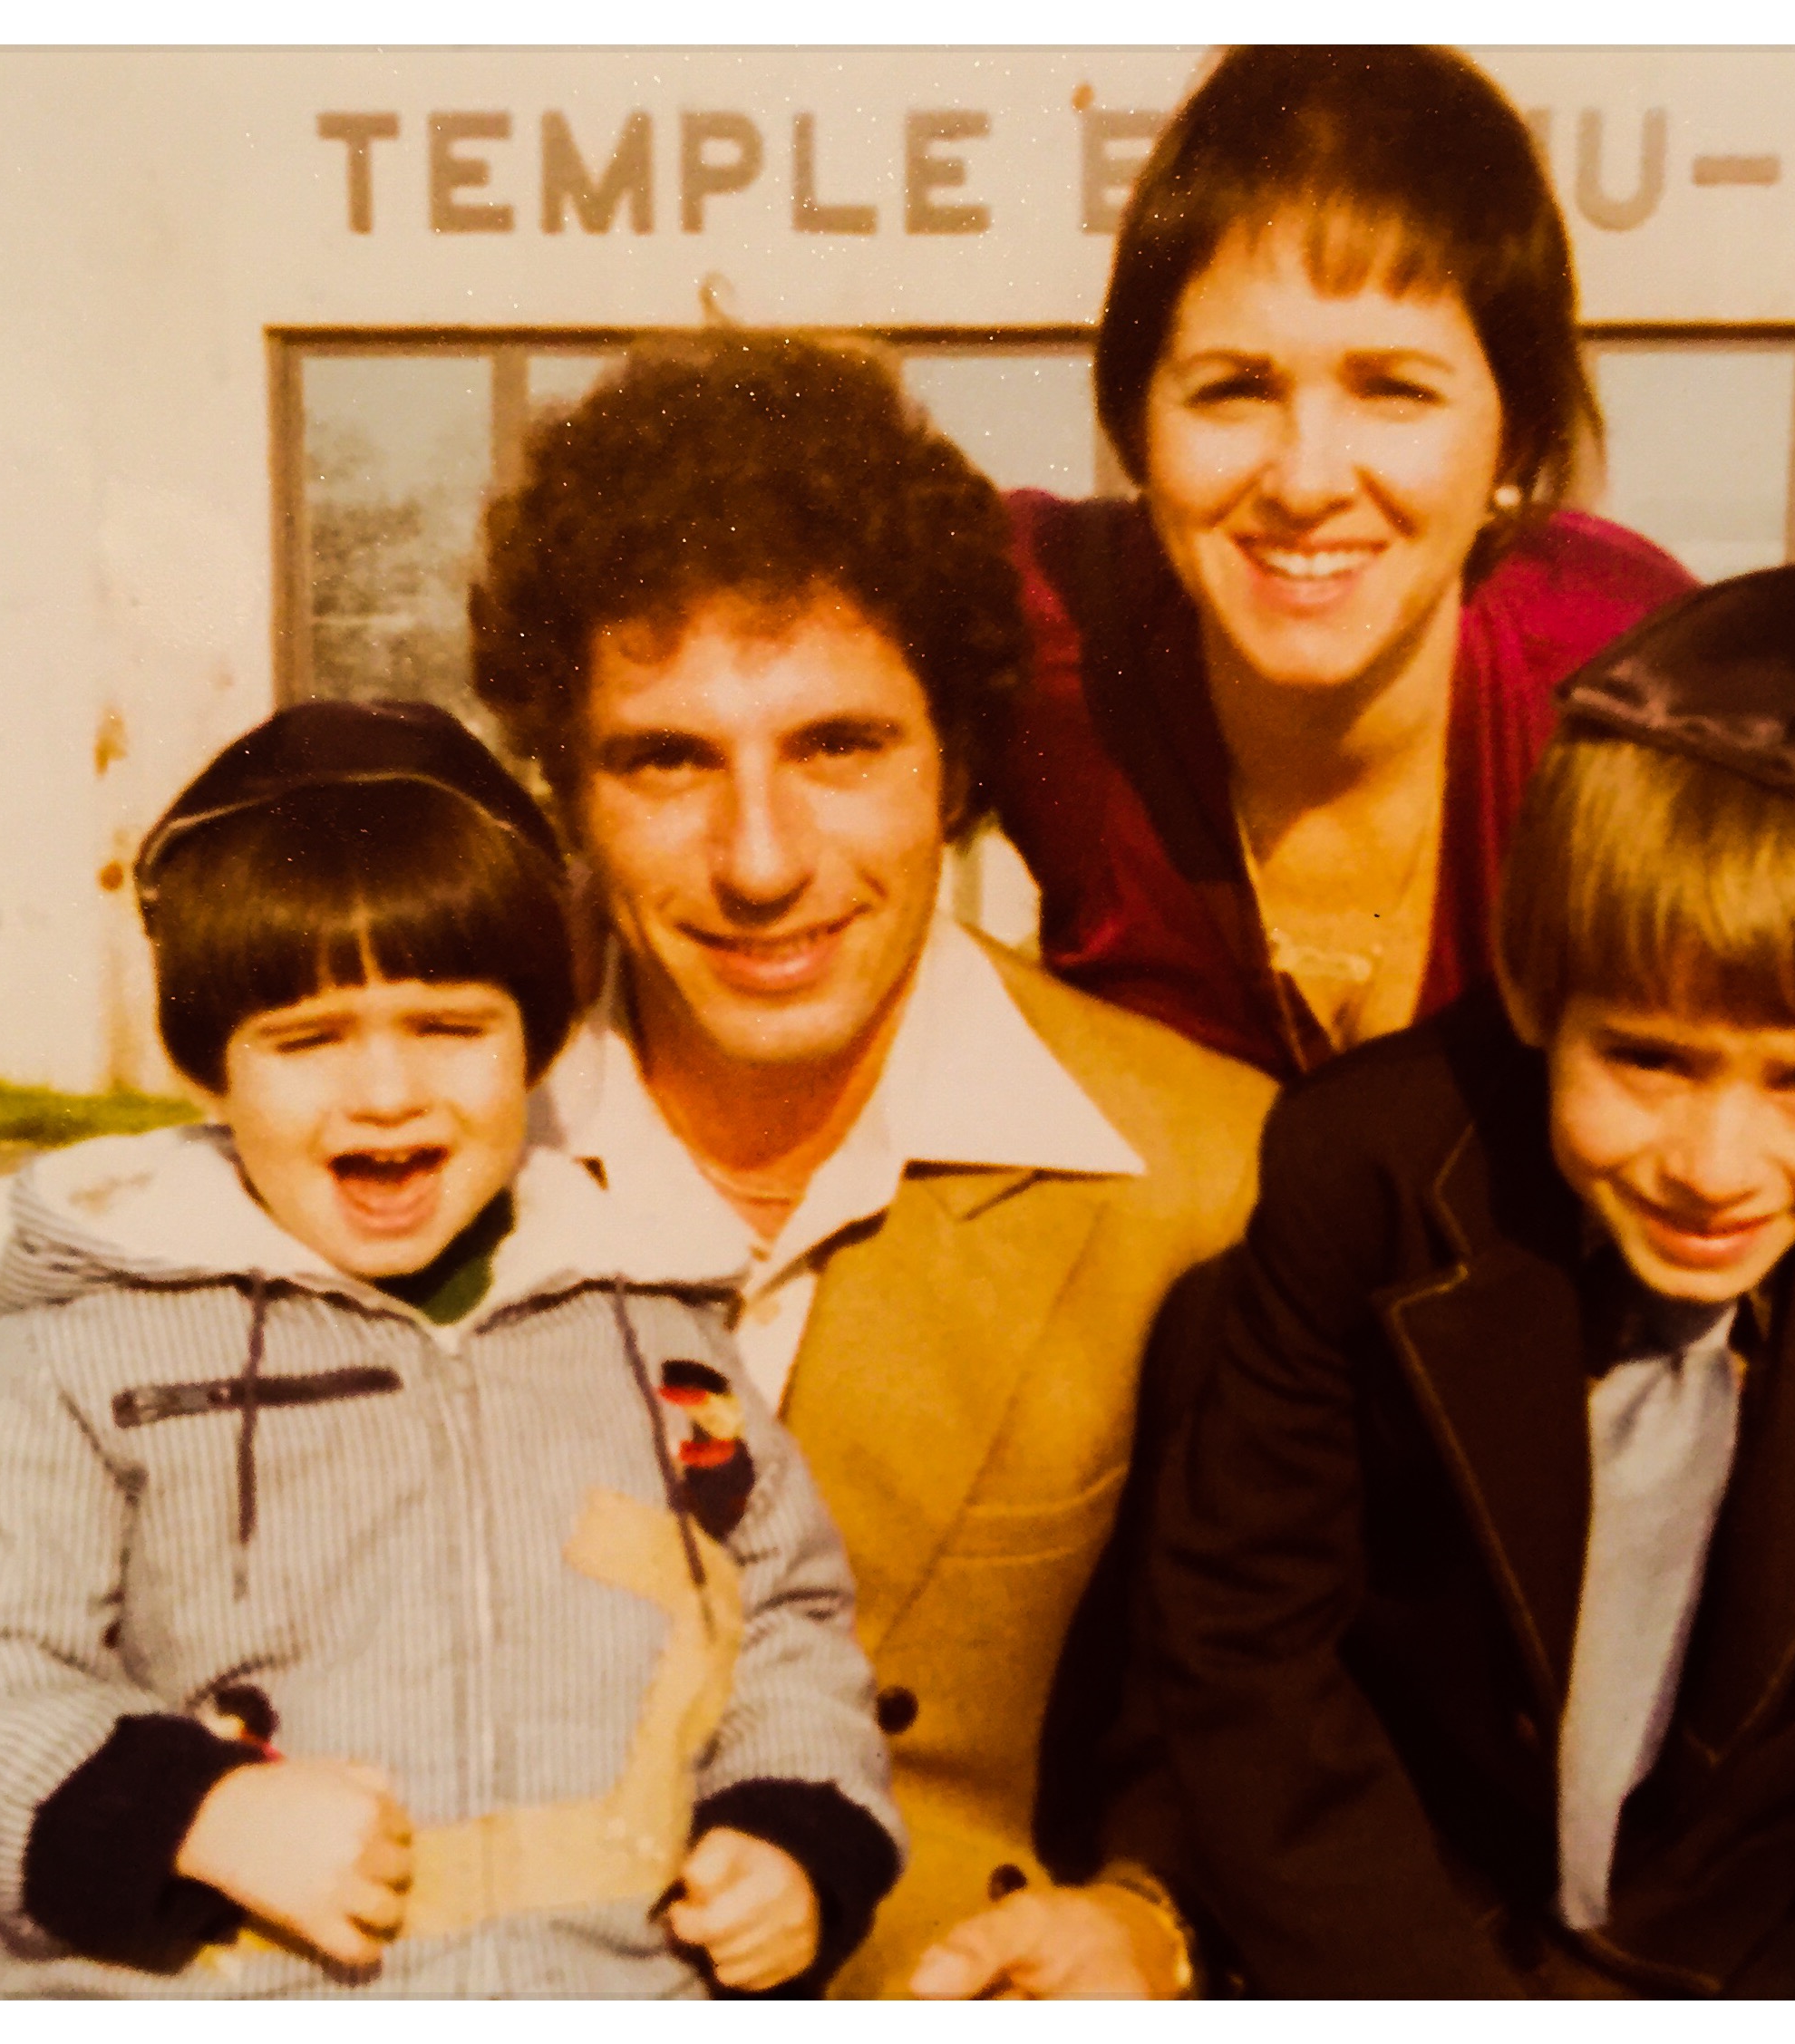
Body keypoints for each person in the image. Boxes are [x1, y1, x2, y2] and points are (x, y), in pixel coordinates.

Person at [1141, 567, 1795, 1995]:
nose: (1715, 1167)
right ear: (1536, 989)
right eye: (1651, 1058)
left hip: (1788, 1937)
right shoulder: (1364, 1167)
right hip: (1411, 1916)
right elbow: (1246, 1645)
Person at [0, 700, 903, 1998]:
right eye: (308, 1040)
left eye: (450, 1027)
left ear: (538, 1041)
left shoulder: (651, 1326)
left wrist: (793, 1828)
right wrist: (194, 1812)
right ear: (211, 1067)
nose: (387, 1093)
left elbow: (778, 1614)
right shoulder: (86, 1353)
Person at [470, 332, 1277, 1999]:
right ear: (570, 787)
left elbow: (1292, 1731)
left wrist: (1150, 1923)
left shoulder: (1208, 1172)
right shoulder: (422, 1160)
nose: (761, 860)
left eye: (839, 746)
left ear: (958, 765)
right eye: (666, 759)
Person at [995, 44, 1795, 1164]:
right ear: (1136, 418)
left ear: (1515, 435)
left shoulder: (1636, 683)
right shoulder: (1041, 618)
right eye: (1233, 389)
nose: (1305, 479)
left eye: (1394, 390)